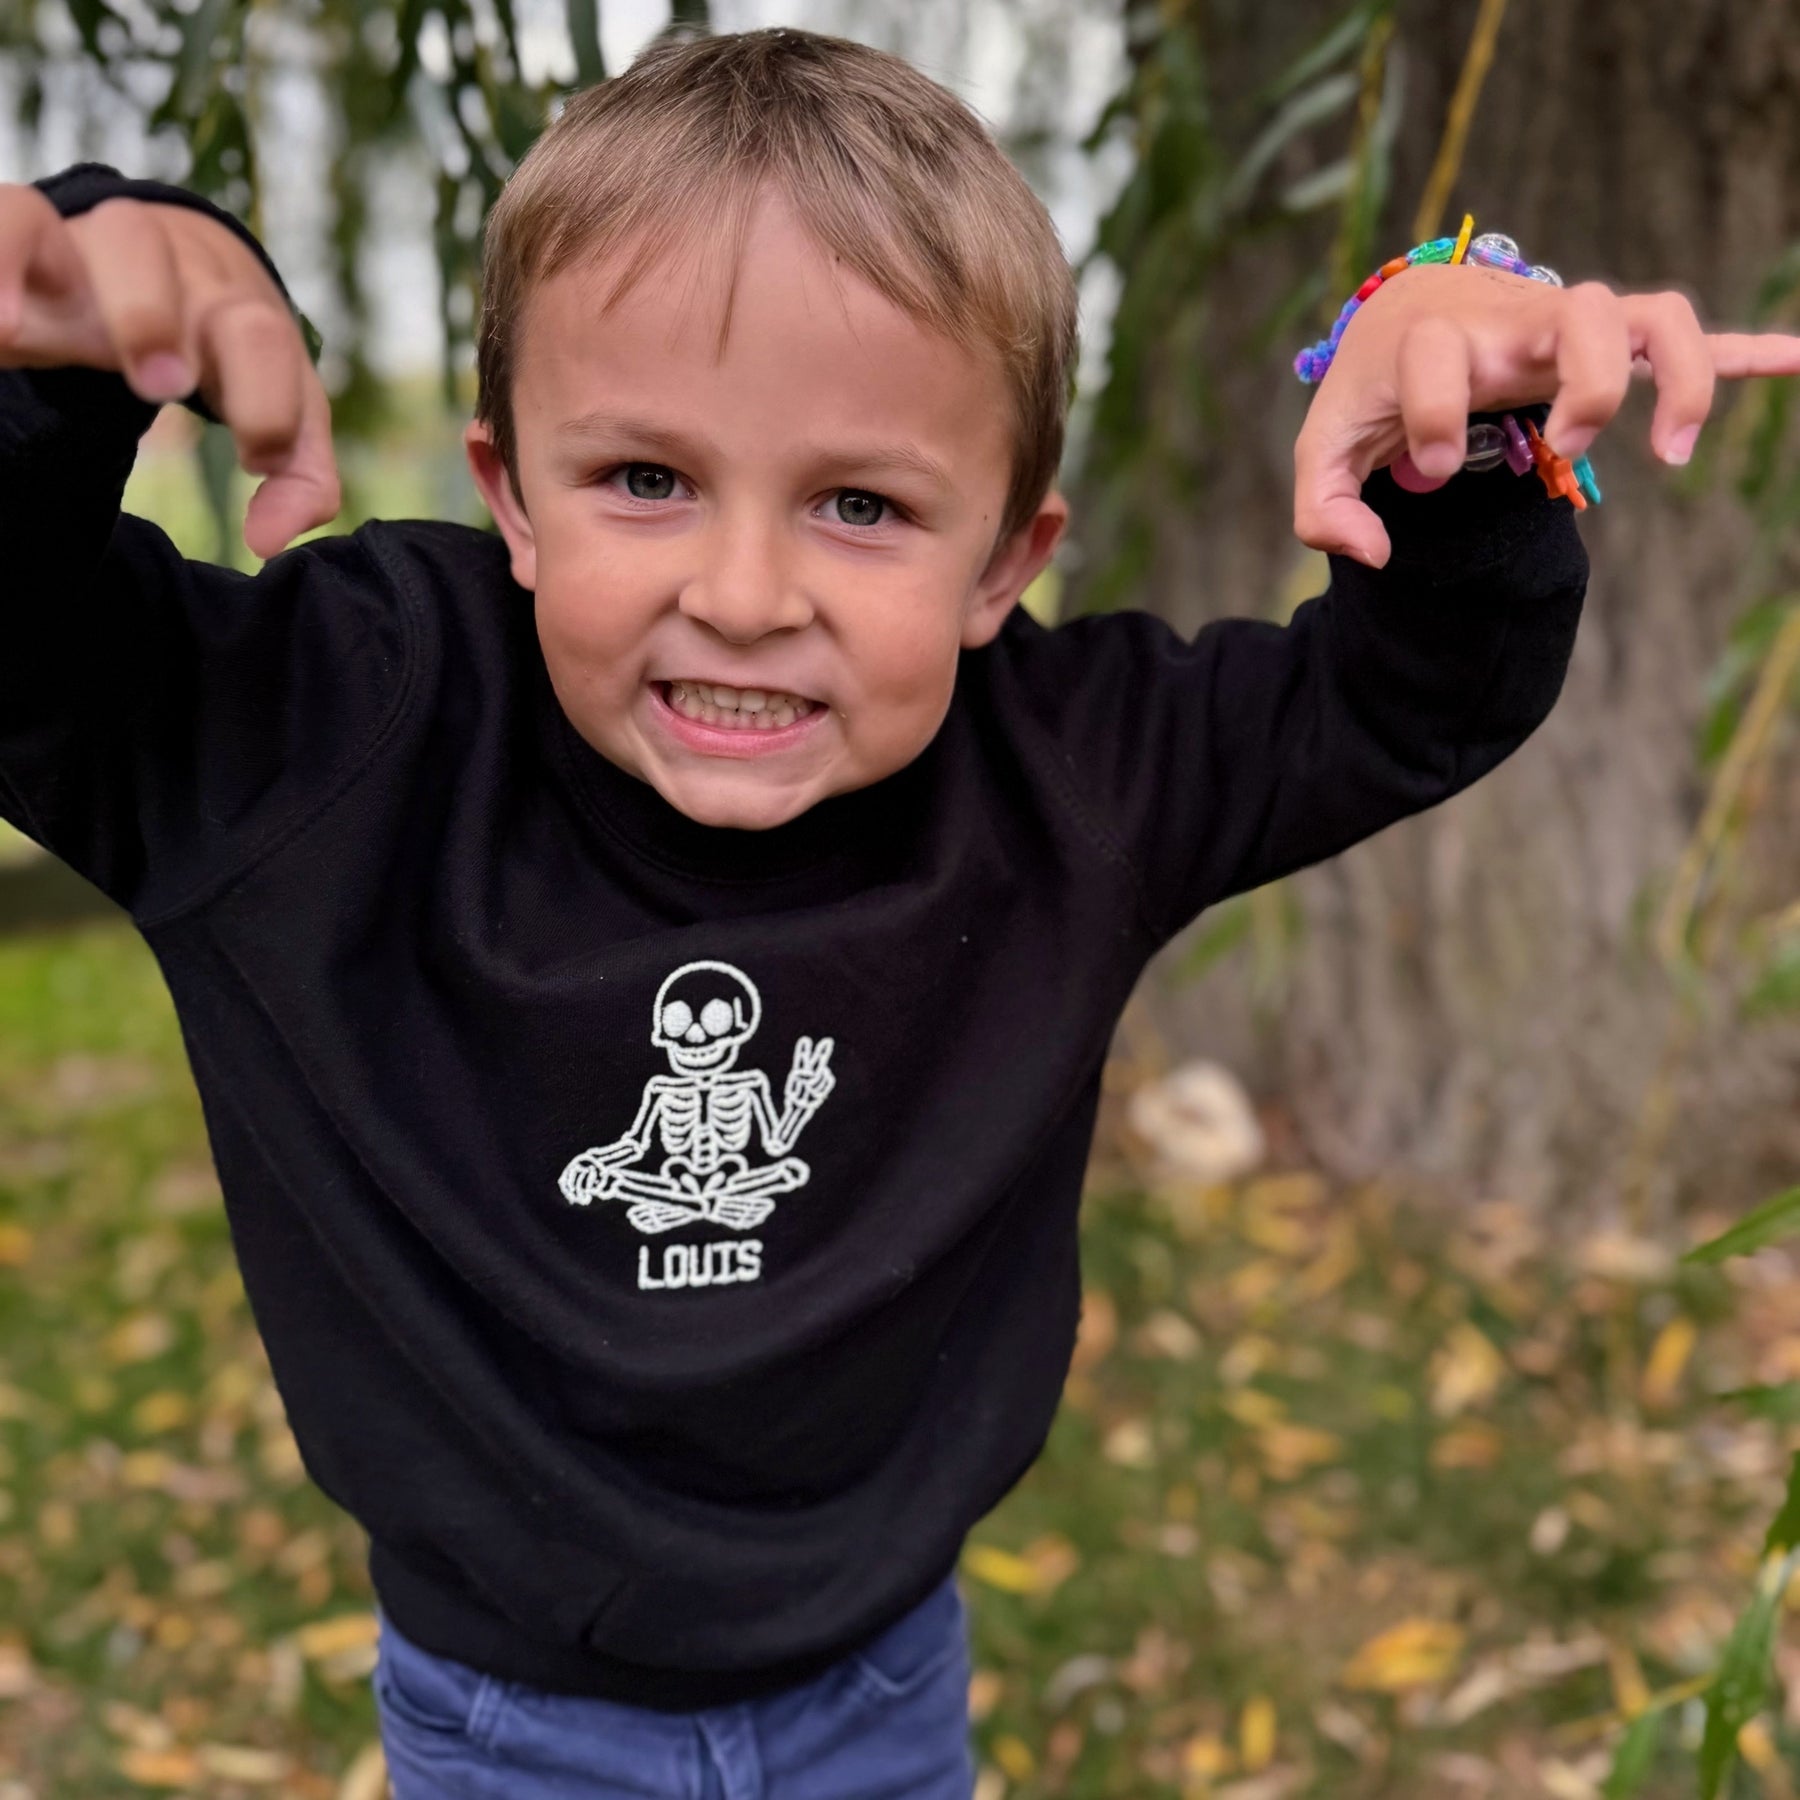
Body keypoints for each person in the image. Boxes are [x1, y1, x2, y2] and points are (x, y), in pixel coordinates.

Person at [3, 24, 1797, 1800]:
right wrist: (85, 329)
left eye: (860, 504)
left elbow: (1413, 697)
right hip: (501, 1725)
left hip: (884, 1684)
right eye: (645, 480)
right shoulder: (333, 739)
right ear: (512, 498)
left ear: (1006, 560)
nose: (745, 593)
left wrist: (1460, 431)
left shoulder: (1070, 775)